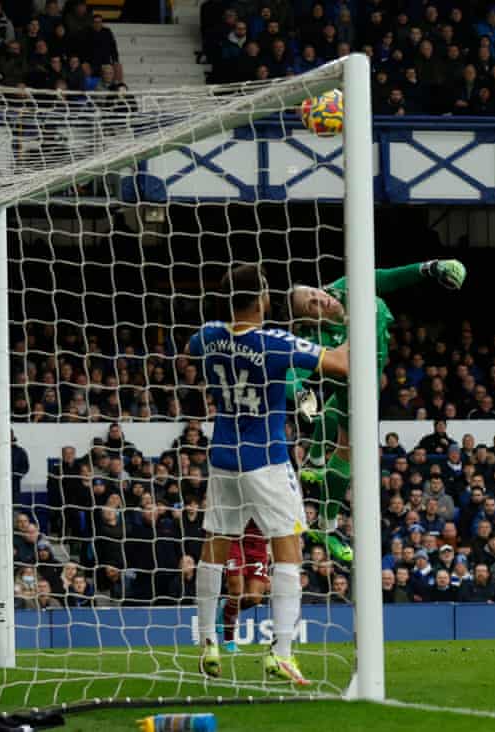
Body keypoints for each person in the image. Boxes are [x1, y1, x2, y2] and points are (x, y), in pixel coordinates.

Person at [189, 263, 349, 686]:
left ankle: (207, 641)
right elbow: (342, 364)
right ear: (261, 299)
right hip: (267, 458)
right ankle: (281, 652)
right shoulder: (275, 342)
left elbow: (193, 346)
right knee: (289, 548)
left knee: (215, 545)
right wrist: (348, 322)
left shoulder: (209, 336)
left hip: (223, 456)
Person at [289, 259, 466, 563]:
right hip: (353, 394)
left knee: (338, 432)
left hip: (373, 379)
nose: (321, 298)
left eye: (315, 292)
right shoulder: (315, 338)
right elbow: (292, 374)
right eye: (312, 304)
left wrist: (429, 268)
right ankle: (326, 526)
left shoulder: (345, 289)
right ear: (310, 320)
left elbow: (386, 277)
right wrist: (303, 399)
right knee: (347, 449)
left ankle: (316, 463)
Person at [217, 519, 270, 653]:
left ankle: (225, 606)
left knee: (254, 598)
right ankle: (229, 641)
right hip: (235, 537)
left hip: (259, 542)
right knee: (236, 590)